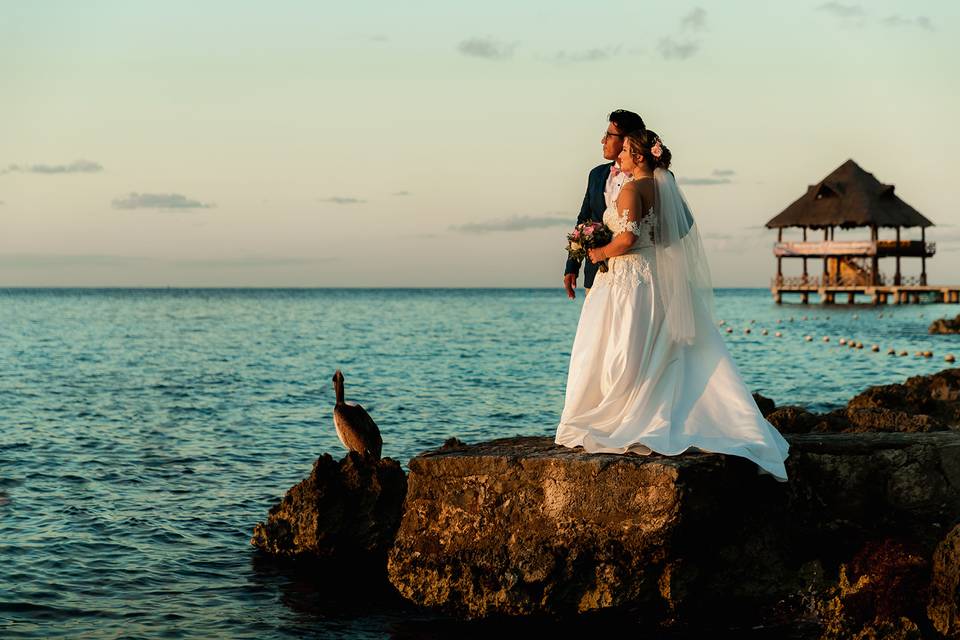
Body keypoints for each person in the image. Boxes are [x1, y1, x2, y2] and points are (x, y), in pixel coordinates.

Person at [555, 128, 790, 482]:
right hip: (655, 275)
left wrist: (599, 251)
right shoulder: (663, 187)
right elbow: (670, 231)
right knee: (660, 348)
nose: (617, 155)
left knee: (623, 345)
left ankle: (625, 412)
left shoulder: (633, 188)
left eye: (624, 152)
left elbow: (629, 237)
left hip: (629, 279)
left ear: (638, 155)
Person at [563, 109, 646, 300]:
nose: (603, 141)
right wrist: (572, 266)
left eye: (609, 135)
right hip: (597, 276)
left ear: (627, 140)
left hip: (637, 278)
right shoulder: (596, 175)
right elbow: (584, 221)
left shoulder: (653, 179)